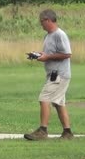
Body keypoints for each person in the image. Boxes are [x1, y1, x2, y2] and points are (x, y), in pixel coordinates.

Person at [24, 9, 74, 140]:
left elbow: (67, 54)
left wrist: (47, 58)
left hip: (59, 74)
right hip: (53, 74)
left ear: (48, 20)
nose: (41, 24)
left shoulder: (59, 34)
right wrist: (39, 55)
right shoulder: (48, 36)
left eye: (42, 21)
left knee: (44, 98)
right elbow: (49, 54)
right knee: (58, 103)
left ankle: (43, 131)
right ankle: (67, 132)